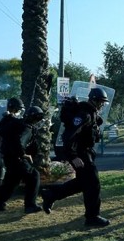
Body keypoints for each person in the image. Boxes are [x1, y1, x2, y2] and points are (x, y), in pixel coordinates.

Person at [39, 88, 110, 227]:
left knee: (83, 182)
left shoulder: (91, 113)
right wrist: (73, 156)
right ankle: (92, 217)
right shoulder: (85, 115)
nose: (102, 105)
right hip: (80, 154)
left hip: (85, 153)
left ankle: (51, 195)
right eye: (101, 102)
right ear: (94, 100)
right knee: (93, 184)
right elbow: (69, 136)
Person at [0, 105, 44, 214]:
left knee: (11, 182)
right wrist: (23, 154)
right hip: (17, 158)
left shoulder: (17, 124)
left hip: (9, 157)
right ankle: (30, 205)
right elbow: (19, 141)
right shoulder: (27, 127)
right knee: (34, 176)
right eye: (38, 118)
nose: (39, 121)